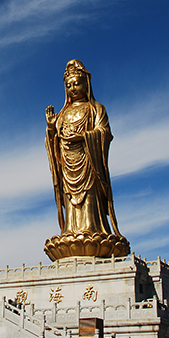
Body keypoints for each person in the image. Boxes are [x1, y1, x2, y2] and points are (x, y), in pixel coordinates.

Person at [45, 59, 122, 237]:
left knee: (89, 196)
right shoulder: (63, 114)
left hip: (88, 161)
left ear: (86, 85)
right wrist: (51, 127)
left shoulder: (95, 109)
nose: (73, 88)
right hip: (67, 164)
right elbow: (54, 141)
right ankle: (70, 230)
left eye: (76, 84)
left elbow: (104, 133)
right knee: (70, 199)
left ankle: (92, 228)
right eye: (69, 85)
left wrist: (84, 137)